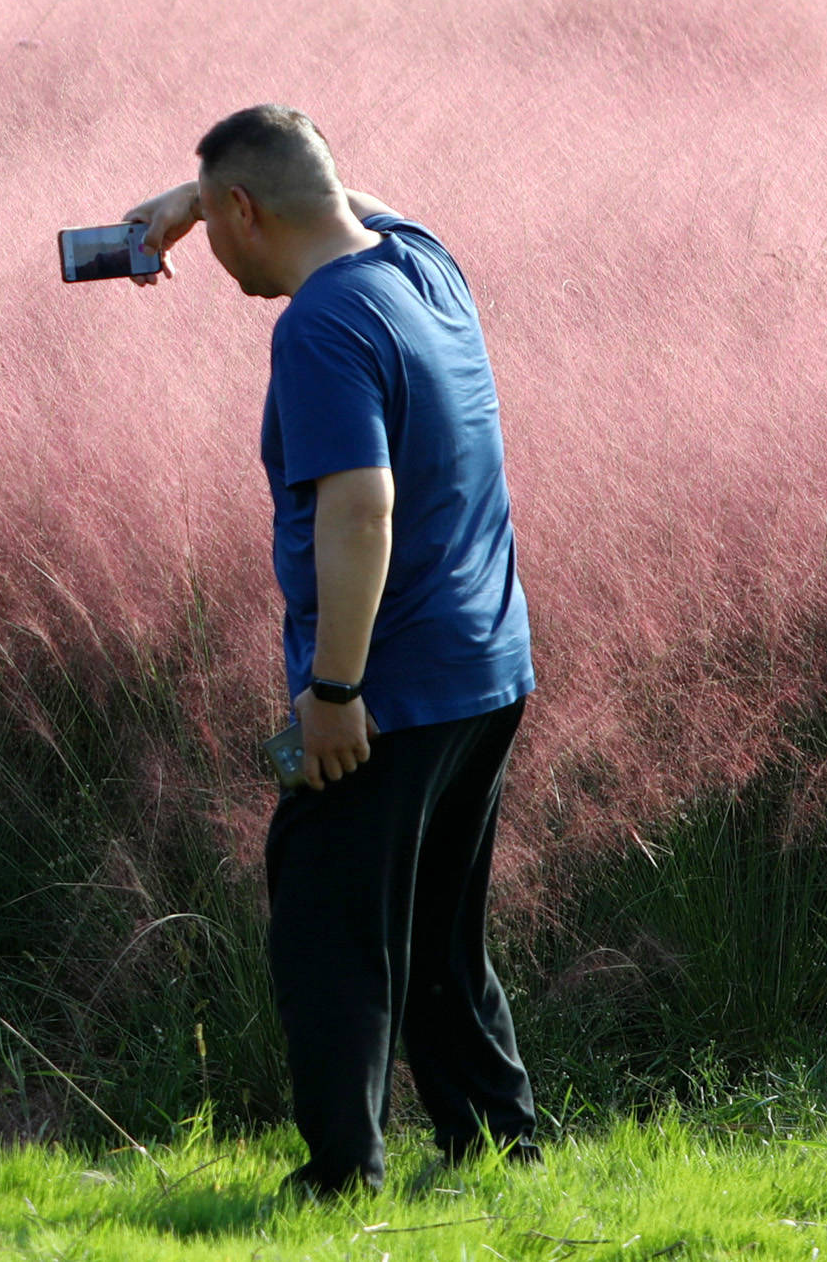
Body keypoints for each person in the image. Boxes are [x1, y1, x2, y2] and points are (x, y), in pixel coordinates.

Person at [122, 104, 539, 1192]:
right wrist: (185, 202)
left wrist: (333, 689)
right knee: (443, 930)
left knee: (327, 924)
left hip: (388, 684)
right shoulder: (420, 260)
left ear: (246, 211)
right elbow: (349, 195)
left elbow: (360, 507)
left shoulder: (318, 324)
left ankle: (342, 1171)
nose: (207, 251)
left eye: (214, 226)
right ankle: (500, 1141)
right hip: (486, 665)